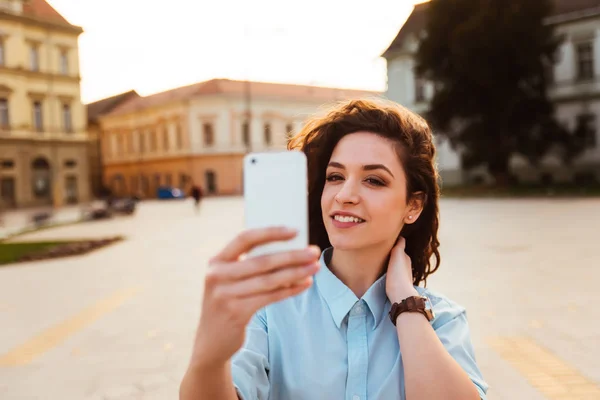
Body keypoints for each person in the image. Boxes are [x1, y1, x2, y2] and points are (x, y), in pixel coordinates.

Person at [180, 99, 488, 400]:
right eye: (335, 177)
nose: (345, 194)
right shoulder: (267, 308)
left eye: (373, 180)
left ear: (413, 205)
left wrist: (407, 305)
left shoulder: (443, 319)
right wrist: (209, 358)